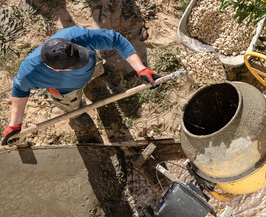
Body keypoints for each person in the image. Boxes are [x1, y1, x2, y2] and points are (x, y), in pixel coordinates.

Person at [1, 26, 161, 145]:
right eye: (77, 64)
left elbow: (117, 40)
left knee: (96, 66)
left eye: (79, 54)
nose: (81, 60)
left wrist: (142, 69)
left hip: (93, 66)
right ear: (56, 69)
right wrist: (15, 125)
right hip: (66, 90)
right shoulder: (31, 71)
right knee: (71, 103)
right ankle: (77, 112)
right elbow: (19, 90)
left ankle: (98, 72)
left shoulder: (77, 36)